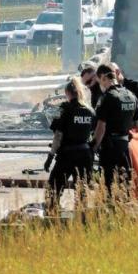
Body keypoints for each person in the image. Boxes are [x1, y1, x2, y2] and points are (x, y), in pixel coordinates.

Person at [43, 77, 95, 211]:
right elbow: (95, 132)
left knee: (53, 189)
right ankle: (81, 220)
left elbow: (58, 135)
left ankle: (53, 217)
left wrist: (50, 156)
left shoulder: (64, 109)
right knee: (82, 193)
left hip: (67, 155)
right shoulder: (89, 111)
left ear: (67, 93)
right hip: (85, 156)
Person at [92, 64, 138, 194]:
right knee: (126, 184)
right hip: (125, 147)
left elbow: (101, 126)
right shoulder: (131, 96)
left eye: (100, 82)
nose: (101, 86)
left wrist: (93, 147)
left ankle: (109, 211)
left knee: (108, 185)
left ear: (103, 78)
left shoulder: (107, 98)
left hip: (110, 148)